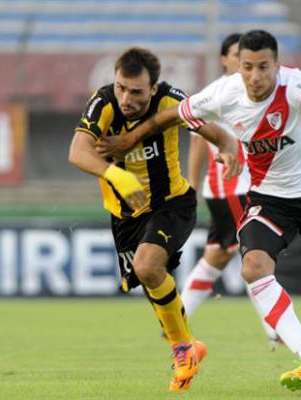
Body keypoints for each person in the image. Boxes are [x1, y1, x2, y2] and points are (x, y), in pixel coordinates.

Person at [95, 30, 301, 391]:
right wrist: (130, 139)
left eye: (263, 67)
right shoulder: (224, 92)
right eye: (247, 67)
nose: (255, 77)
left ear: (276, 64)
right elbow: (171, 117)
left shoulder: (297, 85)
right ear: (238, 65)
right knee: (253, 267)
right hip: (269, 197)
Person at [68, 47, 240, 391]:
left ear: (153, 87)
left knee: (148, 267)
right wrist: (116, 176)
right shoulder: (102, 103)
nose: (126, 98)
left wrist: (228, 151)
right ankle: (189, 345)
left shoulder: (171, 101)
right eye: (120, 87)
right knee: (151, 282)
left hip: (172, 204)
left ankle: (181, 352)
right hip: (126, 216)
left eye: (135, 91)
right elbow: (77, 151)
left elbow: (220, 134)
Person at [181, 33, 281, 349]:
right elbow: (197, 142)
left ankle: (176, 316)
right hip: (232, 187)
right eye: (237, 55)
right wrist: (192, 184)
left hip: (235, 187)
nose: (243, 62)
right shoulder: (217, 95)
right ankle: (273, 327)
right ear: (226, 60)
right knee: (254, 257)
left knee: (218, 254)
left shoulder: (251, 93)